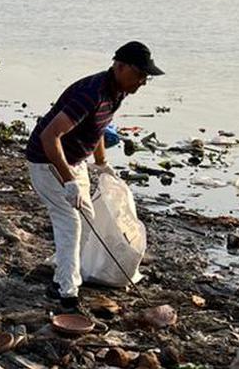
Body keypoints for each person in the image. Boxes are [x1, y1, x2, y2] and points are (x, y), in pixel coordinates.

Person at [25, 41, 163, 309]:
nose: (143, 82)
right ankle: (66, 292)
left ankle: (63, 275)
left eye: (146, 77)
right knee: (70, 222)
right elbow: (49, 136)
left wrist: (101, 163)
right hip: (46, 160)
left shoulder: (118, 92)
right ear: (120, 67)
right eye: (140, 75)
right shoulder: (91, 93)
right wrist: (68, 181)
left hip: (74, 161)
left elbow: (100, 126)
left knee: (87, 217)